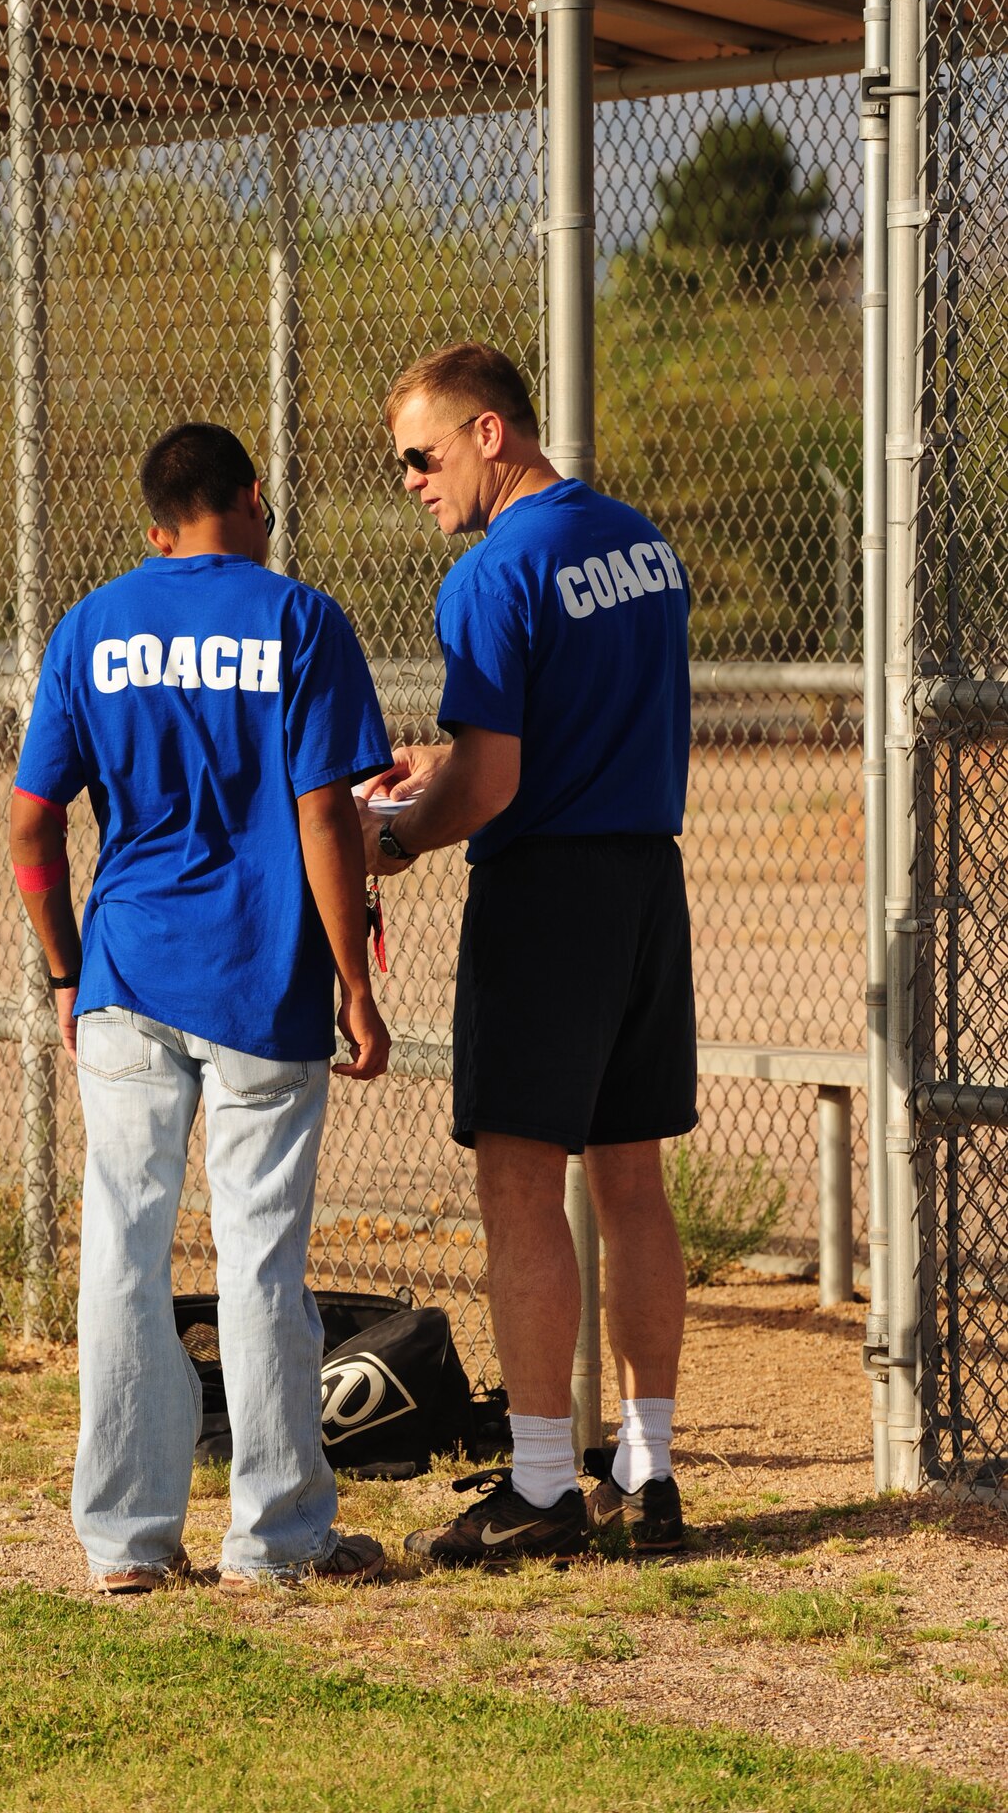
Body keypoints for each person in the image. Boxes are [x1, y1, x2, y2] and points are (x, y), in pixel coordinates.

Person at [11, 422, 393, 1594]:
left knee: (121, 1249)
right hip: (256, 976)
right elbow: (326, 816)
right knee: (257, 1251)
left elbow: (31, 825)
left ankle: (126, 1542)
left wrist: (71, 972)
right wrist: (357, 981)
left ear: (153, 524)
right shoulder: (298, 619)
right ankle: (275, 1538)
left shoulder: (91, 625)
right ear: (254, 498)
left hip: (125, 973)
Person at [359, 341, 696, 1567]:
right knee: (630, 1177)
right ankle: (649, 1469)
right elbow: (554, 736)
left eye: (421, 454)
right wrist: (438, 774)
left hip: (547, 894)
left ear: (489, 432)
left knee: (517, 1186)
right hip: (645, 880)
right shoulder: (640, 541)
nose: (410, 479)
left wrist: (393, 831)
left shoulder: (495, 569)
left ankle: (545, 1482)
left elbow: (491, 785)